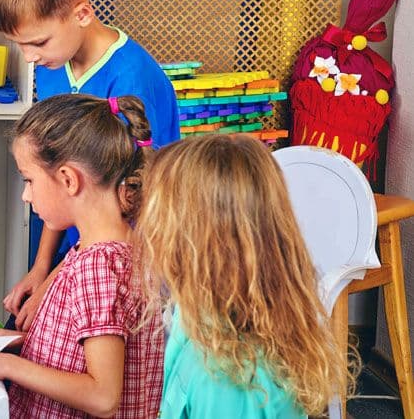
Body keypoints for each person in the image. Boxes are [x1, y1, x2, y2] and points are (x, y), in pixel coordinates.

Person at [0, 0, 180, 330]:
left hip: (116, 258)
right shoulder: (52, 62)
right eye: (20, 44)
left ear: (82, 13)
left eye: (38, 42)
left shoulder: (131, 79)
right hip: (64, 239)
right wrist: (41, 268)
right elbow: (55, 174)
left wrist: (58, 277)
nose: (28, 57)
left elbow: (129, 207)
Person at [0, 94, 164, 417]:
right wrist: (9, 339)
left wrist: (6, 365)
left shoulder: (98, 266)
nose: (25, 195)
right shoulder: (105, 250)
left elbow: (102, 396)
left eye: (29, 180)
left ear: (68, 179)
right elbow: (80, 349)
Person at [138, 134, 354, 417]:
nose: (145, 229)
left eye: (157, 215)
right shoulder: (196, 318)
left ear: (198, 243)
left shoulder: (227, 378)